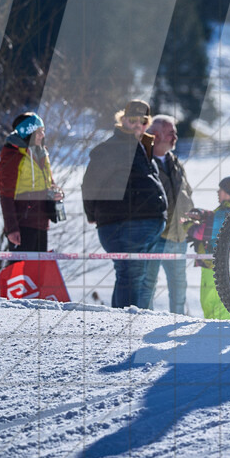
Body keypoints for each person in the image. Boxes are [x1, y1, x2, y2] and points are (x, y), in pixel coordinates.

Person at [82, 99, 166, 309]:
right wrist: (93, 214)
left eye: (143, 120)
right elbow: (91, 183)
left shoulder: (143, 146)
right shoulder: (111, 148)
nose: (138, 124)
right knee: (132, 275)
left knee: (134, 276)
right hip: (123, 223)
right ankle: (125, 327)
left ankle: (129, 324)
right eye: (132, 120)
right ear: (123, 120)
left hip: (144, 225)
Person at [187, 173, 230, 320]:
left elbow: (202, 232)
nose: (218, 192)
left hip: (215, 264)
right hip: (226, 264)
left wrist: (187, 225)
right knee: (215, 303)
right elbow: (213, 218)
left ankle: (221, 334)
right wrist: (203, 214)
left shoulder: (224, 214)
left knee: (212, 303)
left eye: (221, 190)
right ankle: (218, 333)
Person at [144, 115, 193, 314]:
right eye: (170, 133)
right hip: (154, 237)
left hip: (178, 236)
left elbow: (187, 192)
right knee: (147, 285)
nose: (175, 137)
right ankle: (142, 322)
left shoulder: (175, 162)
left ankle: (178, 323)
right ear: (155, 136)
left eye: (175, 132)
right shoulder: (144, 163)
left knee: (179, 287)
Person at [0, 112, 63, 253]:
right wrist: (12, 229)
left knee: (38, 273)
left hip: (42, 223)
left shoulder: (42, 153)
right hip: (23, 225)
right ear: (27, 133)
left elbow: (50, 183)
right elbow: (5, 196)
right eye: (38, 132)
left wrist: (56, 193)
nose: (42, 136)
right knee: (21, 272)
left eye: (43, 131)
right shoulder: (13, 155)